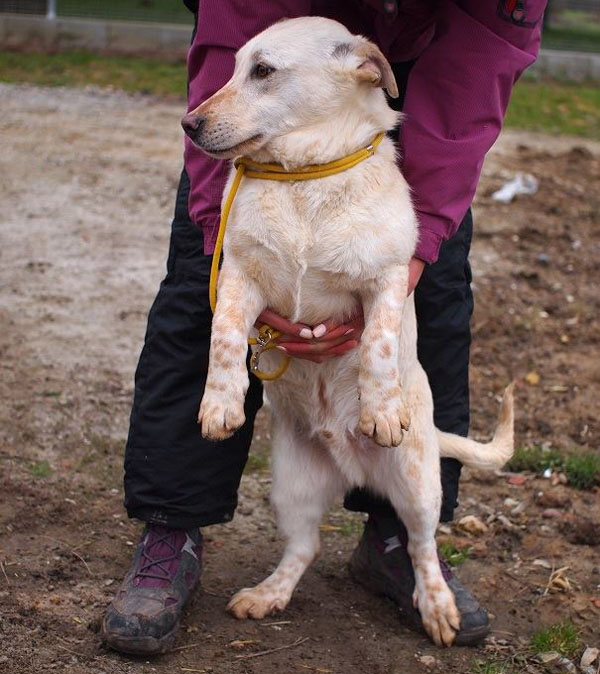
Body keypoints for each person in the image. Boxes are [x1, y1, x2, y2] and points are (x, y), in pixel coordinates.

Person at [102, 0, 545, 656]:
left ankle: (397, 534)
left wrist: (412, 251)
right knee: (209, 292)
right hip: (283, 27)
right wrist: (222, 240)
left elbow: (478, 62)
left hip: (416, 58)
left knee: (438, 290)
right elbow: (235, 34)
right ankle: (172, 528)